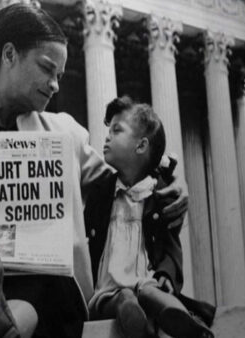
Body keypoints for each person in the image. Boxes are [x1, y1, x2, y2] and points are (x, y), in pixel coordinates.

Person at [0, 4, 188, 338]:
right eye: (46, 69)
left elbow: (120, 185)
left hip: (39, 279)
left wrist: (165, 181)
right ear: (9, 54)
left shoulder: (65, 134)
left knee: (50, 278)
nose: (54, 85)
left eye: (59, 77)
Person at [84, 97, 214, 338]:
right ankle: (129, 309)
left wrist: (166, 274)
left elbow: (170, 243)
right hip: (108, 284)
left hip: (146, 279)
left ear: (141, 146)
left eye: (117, 130)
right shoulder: (100, 191)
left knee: (151, 291)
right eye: (108, 129)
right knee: (115, 298)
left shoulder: (160, 192)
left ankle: (183, 319)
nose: (107, 136)